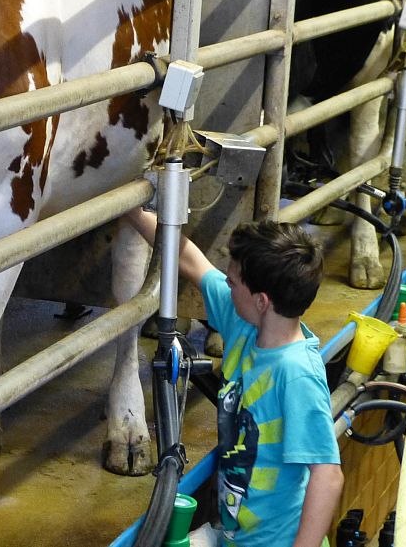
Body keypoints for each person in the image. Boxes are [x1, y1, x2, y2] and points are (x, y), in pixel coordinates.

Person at [126, 209, 344, 547]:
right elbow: (188, 258)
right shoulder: (242, 322)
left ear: (261, 300)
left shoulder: (298, 373)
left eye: (233, 282)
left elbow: (328, 476)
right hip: (235, 535)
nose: (226, 286)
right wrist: (131, 211)